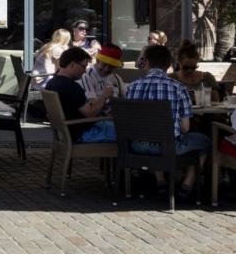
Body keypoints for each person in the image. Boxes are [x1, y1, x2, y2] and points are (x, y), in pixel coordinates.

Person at [86, 43, 209, 197]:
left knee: (154, 133)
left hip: (136, 146)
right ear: (169, 65)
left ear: (147, 63)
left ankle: (160, 181)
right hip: (168, 148)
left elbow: (129, 121)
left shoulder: (132, 88)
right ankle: (187, 184)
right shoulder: (179, 89)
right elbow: (185, 128)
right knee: (205, 141)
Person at [41, 46, 114, 138]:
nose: (84, 71)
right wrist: (104, 96)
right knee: (125, 131)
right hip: (82, 133)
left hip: (66, 132)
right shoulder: (71, 87)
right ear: (72, 65)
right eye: (83, 66)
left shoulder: (52, 83)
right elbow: (91, 114)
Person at [81, 42, 126, 110]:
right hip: (99, 119)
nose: (106, 69)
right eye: (104, 64)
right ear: (97, 61)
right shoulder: (87, 77)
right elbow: (92, 107)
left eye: (111, 66)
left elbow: (125, 98)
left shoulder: (116, 78)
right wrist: (105, 96)